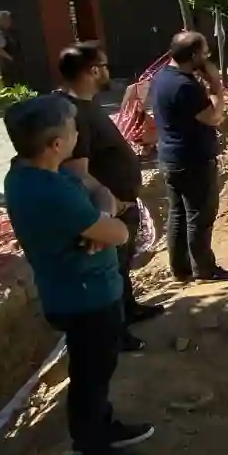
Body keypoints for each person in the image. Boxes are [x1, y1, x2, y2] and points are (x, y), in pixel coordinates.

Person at [2, 94, 151, 455]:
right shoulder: (49, 191)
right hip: (84, 297)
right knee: (90, 374)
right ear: (56, 144)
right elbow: (118, 230)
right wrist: (105, 225)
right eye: (72, 129)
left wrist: (98, 219)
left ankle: (103, 427)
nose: (77, 134)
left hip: (86, 291)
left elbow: (101, 196)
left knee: (98, 369)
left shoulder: (33, 173)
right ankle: (89, 454)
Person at [56, 43, 165, 348]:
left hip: (120, 203)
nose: (107, 71)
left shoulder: (87, 105)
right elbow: (76, 170)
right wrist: (108, 202)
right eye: (103, 66)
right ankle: (115, 335)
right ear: (92, 71)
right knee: (109, 272)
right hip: (108, 207)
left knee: (121, 266)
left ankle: (129, 310)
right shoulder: (73, 113)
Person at [149, 32, 228, 283]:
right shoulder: (186, 86)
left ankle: (181, 269)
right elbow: (214, 117)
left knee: (179, 214)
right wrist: (216, 86)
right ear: (194, 55)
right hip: (192, 160)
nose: (208, 57)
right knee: (200, 216)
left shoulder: (163, 77)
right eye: (205, 52)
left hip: (170, 157)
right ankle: (204, 270)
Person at [0, 10, 23, 85]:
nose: (9, 21)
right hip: (8, 66)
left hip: (13, 65)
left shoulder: (9, 31)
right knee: (11, 85)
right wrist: (11, 58)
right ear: (0, 21)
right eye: (6, 19)